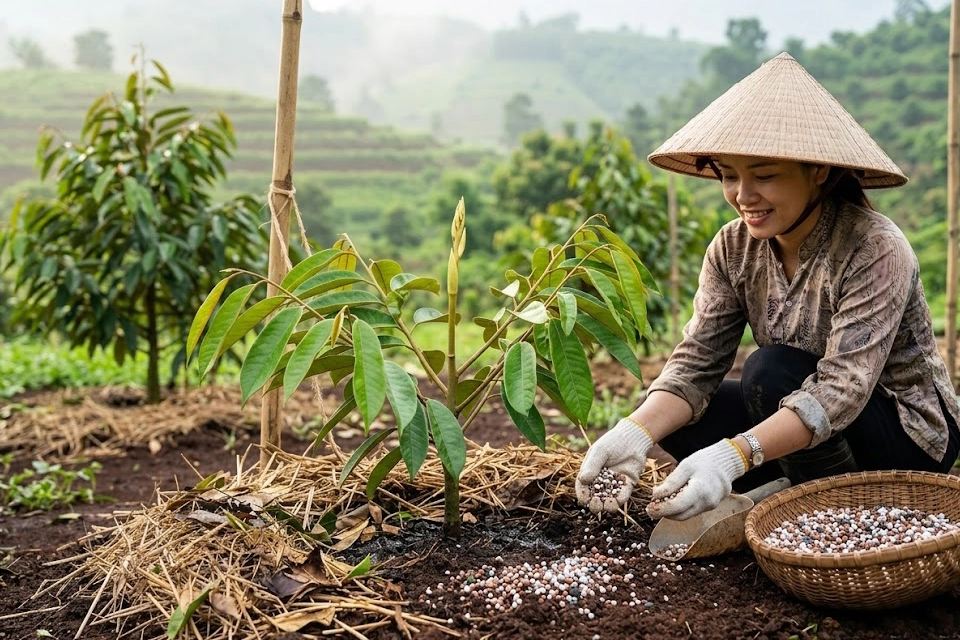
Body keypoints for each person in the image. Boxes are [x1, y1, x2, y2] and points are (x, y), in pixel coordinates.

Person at [575, 52, 960, 521]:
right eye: (729, 175)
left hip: (902, 433)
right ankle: (790, 487)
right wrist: (633, 434)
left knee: (769, 370)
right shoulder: (733, 248)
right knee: (680, 413)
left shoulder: (874, 247)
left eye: (764, 175)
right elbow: (696, 364)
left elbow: (843, 388)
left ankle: (827, 505)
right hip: (811, 421)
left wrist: (735, 455)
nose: (743, 195)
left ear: (817, 171)